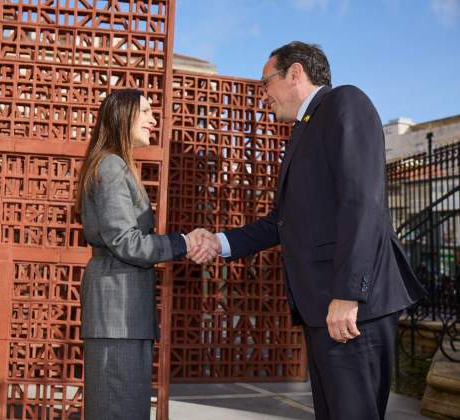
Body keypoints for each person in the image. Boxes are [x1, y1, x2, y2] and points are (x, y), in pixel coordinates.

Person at [188, 42, 427, 419]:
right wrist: (218, 242)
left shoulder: (345, 103)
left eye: (267, 82)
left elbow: (362, 202)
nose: (263, 94)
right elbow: (279, 223)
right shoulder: (304, 130)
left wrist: (349, 294)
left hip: (351, 309)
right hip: (323, 307)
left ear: (295, 73)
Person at [75, 89, 199, 420]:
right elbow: (126, 241)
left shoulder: (116, 166)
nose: (153, 118)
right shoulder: (112, 166)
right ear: (122, 115)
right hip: (117, 316)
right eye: (144, 111)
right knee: (117, 410)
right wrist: (183, 243)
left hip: (124, 315)